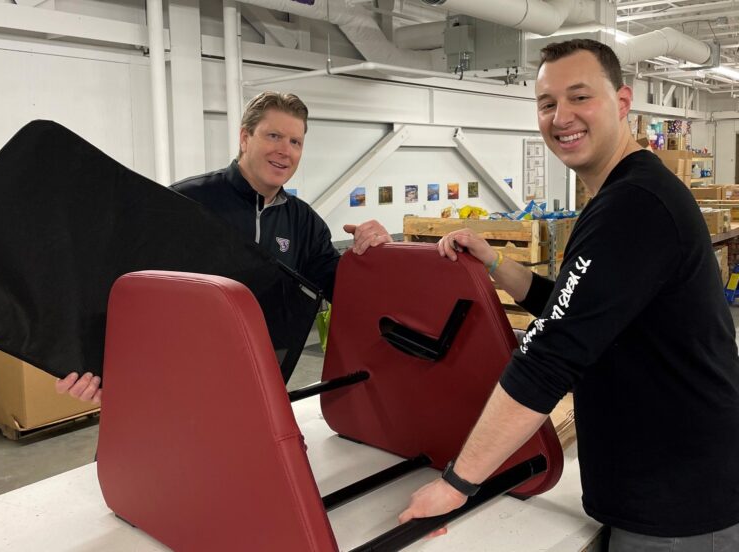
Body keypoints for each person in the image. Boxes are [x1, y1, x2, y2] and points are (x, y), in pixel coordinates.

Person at [398, 39, 739, 551]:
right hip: (665, 479)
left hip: (679, 503)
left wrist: (457, 484)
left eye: (580, 97)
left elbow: (549, 355)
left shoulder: (634, 206)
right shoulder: (626, 193)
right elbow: (575, 306)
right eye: (547, 103)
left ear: (623, 103)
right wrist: (495, 262)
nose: (561, 117)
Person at [56, 91, 391, 403]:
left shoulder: (304, 222)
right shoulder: (187, 202)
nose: (285, 150)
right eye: (273, 136)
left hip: (255, 388)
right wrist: (95, 364)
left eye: (295, 141)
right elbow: (122, 286)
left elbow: (344, 289)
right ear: (245, 138)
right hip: (171, 385)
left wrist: (374, 254)